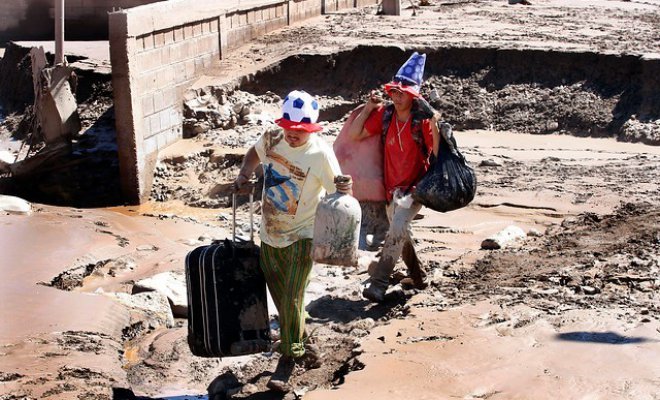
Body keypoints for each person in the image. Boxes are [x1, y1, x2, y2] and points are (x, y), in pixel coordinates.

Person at [232, 90, 343, 392]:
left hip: (304, 236)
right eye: (289, 129)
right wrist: (245, 174)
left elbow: (339, 194)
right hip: (270, 234)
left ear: (311, 129)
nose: (293, 135)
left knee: (293, 297)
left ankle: (288, 359)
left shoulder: (320, 154)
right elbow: (254, 154)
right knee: (283, 302)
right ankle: (306, 343)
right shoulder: (271, 139)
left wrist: (335, 229)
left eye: (300, 131)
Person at [348, 52, 440, 303]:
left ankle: (379, 282)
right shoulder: (386, 115)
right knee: (401, 233)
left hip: (415, 188)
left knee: (398, 226)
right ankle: (419, 277)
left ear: (413, 95)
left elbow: (438, 151)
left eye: (402, 93)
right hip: (392, 190)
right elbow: (355, 135)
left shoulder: (421, 121)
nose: (396, 96)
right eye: (394, 92)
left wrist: (435, 123)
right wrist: (368, 109)